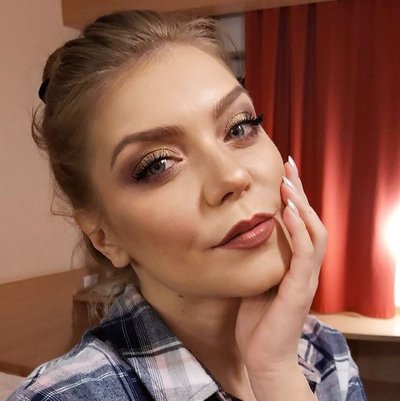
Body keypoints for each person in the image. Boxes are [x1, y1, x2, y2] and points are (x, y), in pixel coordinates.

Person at [9, 10, 367, 401]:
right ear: (103, 236)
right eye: (158, 164)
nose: (232, 176)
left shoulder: (323, 351)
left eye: (240, 127)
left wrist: (276, 373)